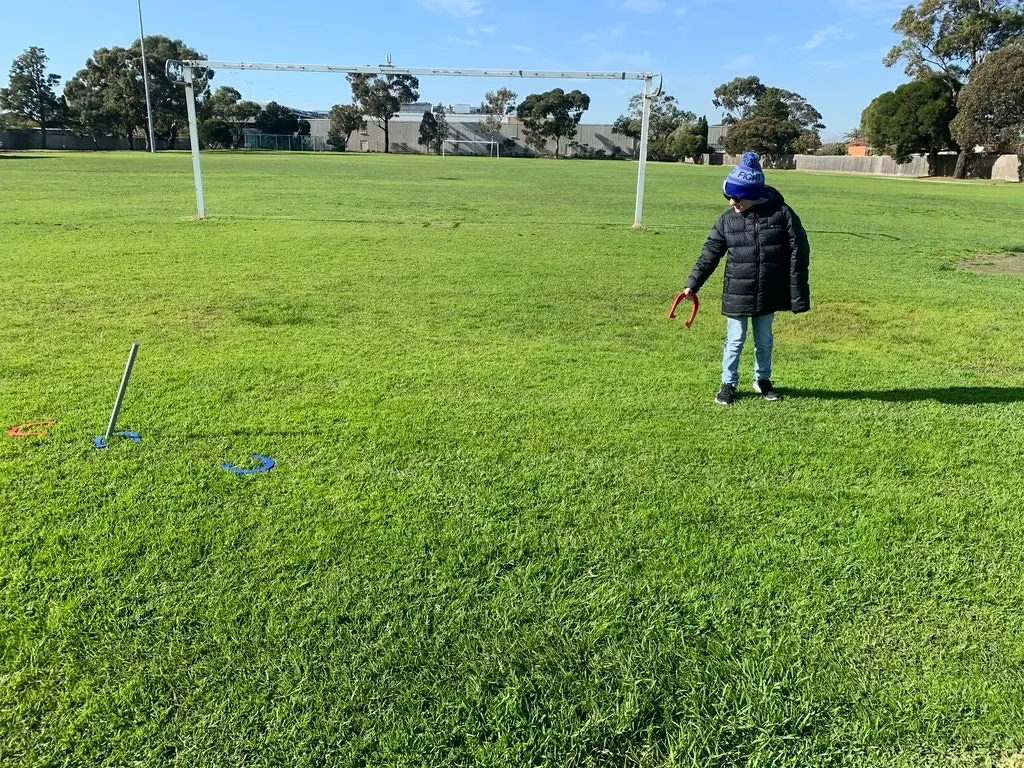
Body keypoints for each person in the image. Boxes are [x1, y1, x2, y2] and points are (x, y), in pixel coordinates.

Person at [681, 151, 810, 406]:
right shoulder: (727, 221)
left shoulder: (782, 214)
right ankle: (728, 384)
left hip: (768, 290)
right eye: (728, 197)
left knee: (764, 340)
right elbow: (710, 254)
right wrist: (692, 284)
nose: (732, 203)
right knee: (735, 340)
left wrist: (797, 293)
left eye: (737, 198)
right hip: (737, 291)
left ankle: (762, 380)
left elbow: (800, 251)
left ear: (752, 194)